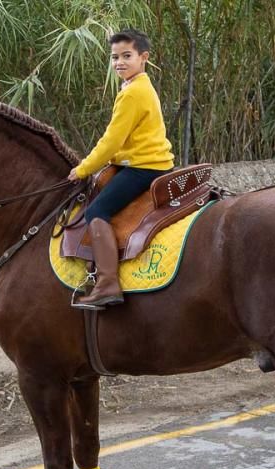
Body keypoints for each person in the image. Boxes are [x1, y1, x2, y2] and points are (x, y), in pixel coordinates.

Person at [68, 28, 175, 309]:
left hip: (143, 168)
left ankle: (107, 283)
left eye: (127, 56)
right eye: (115, 57)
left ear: (144, 57)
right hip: (151, 162)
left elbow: (111, 141)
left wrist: (82, 169)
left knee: (96, 211)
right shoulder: (138, 85)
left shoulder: (132, 93)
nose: (119, 63)